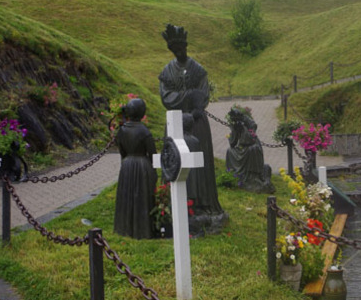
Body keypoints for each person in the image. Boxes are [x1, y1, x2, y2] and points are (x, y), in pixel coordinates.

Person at [158, 24, 227, 224]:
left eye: (182, 48)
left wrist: (190, 99)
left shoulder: (198, 70)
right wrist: (188, 96)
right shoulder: (167, 71)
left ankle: (202, 202)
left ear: (186, 47)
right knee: (175, 158)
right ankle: (173, 200)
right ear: (172, 50)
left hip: (196, 124)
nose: (179, 52)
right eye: (175, 49)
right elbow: (166, 97)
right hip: (175, 122)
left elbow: (202, 96)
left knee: (198, 160)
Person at [113, 98, 157, 239]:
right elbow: (153, 155)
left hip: (127, 165)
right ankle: (143, 230)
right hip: (142, 165)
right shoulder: (145, 132)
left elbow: (122, 152)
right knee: (142, 197)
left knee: (127, 196)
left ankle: (125, 227)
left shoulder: (122, 130)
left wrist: (126, 163)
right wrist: (154, 171)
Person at [225, 106, 274, 193]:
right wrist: (234, 130)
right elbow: (233, 142)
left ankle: (252, 177)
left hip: (251, 144)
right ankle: (234, 175)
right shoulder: (235, 125)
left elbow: (252, 135)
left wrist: (244, 126)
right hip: (241, 147)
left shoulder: (248, 122)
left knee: (252, 150)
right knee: (230, 151)